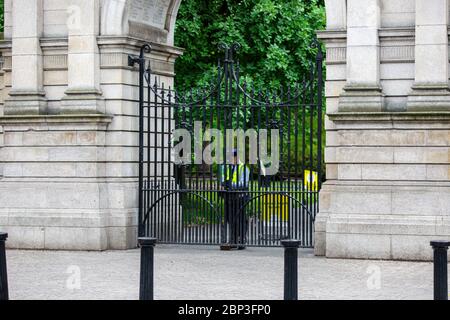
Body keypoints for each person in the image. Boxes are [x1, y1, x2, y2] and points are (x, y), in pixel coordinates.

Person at [220, 149, 251, 250]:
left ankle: (241, 240)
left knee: (240, 219)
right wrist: (224, 184)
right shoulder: (226, 167)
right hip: (229, 197)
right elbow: (222, 179)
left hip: (240, 197)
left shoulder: (244, 168)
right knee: (230, 219)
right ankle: (233, 240)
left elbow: (244, 183)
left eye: (233, 156)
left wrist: (231, 185)